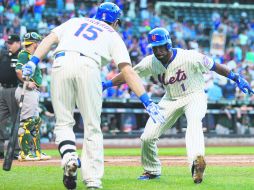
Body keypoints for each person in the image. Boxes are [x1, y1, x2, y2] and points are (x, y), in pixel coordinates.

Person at [22, 2, 164, 190]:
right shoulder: (113, 34)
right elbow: (127, 70)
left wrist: (33, 61)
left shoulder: (75, 21)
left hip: (60, 63)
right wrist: (147, 100)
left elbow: (49, 39)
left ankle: (69, 156)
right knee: (92, 127)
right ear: (116, 21)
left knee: (64, 122)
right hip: (89, 67)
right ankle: (93, 181)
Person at [102, 27, 254, 184]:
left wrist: (236, 78)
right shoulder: (151, 62)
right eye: (155, 48)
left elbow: (215, 66)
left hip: (194, 95)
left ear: (169, 44)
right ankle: (152, 170)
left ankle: (196, 163)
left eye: (162, 46)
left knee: (194, 123)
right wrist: (106, 84)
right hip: (170, 99)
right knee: (147, 137)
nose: (158, 51)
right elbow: (129, 74)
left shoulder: (190, 57)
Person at [15, 32, 51, 161]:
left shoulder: (32, 56)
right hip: (26, 91)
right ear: (34, 43)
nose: (40, 44)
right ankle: (24, 153)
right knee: (27, 122)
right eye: (38, 42)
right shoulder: (25, 55)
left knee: (35, 122)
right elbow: (18, 70)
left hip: (33, 92)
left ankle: (37, 152)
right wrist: (26, 82)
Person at [0, 34, 21, 160]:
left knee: (15, 121)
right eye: (8, 42)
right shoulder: (3, 55)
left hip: (15, 89)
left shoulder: (22, 56)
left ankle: (16, 150)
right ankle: (0, 150)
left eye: (12, 43)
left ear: (18, 43)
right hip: (3, 89)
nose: (9, 45)